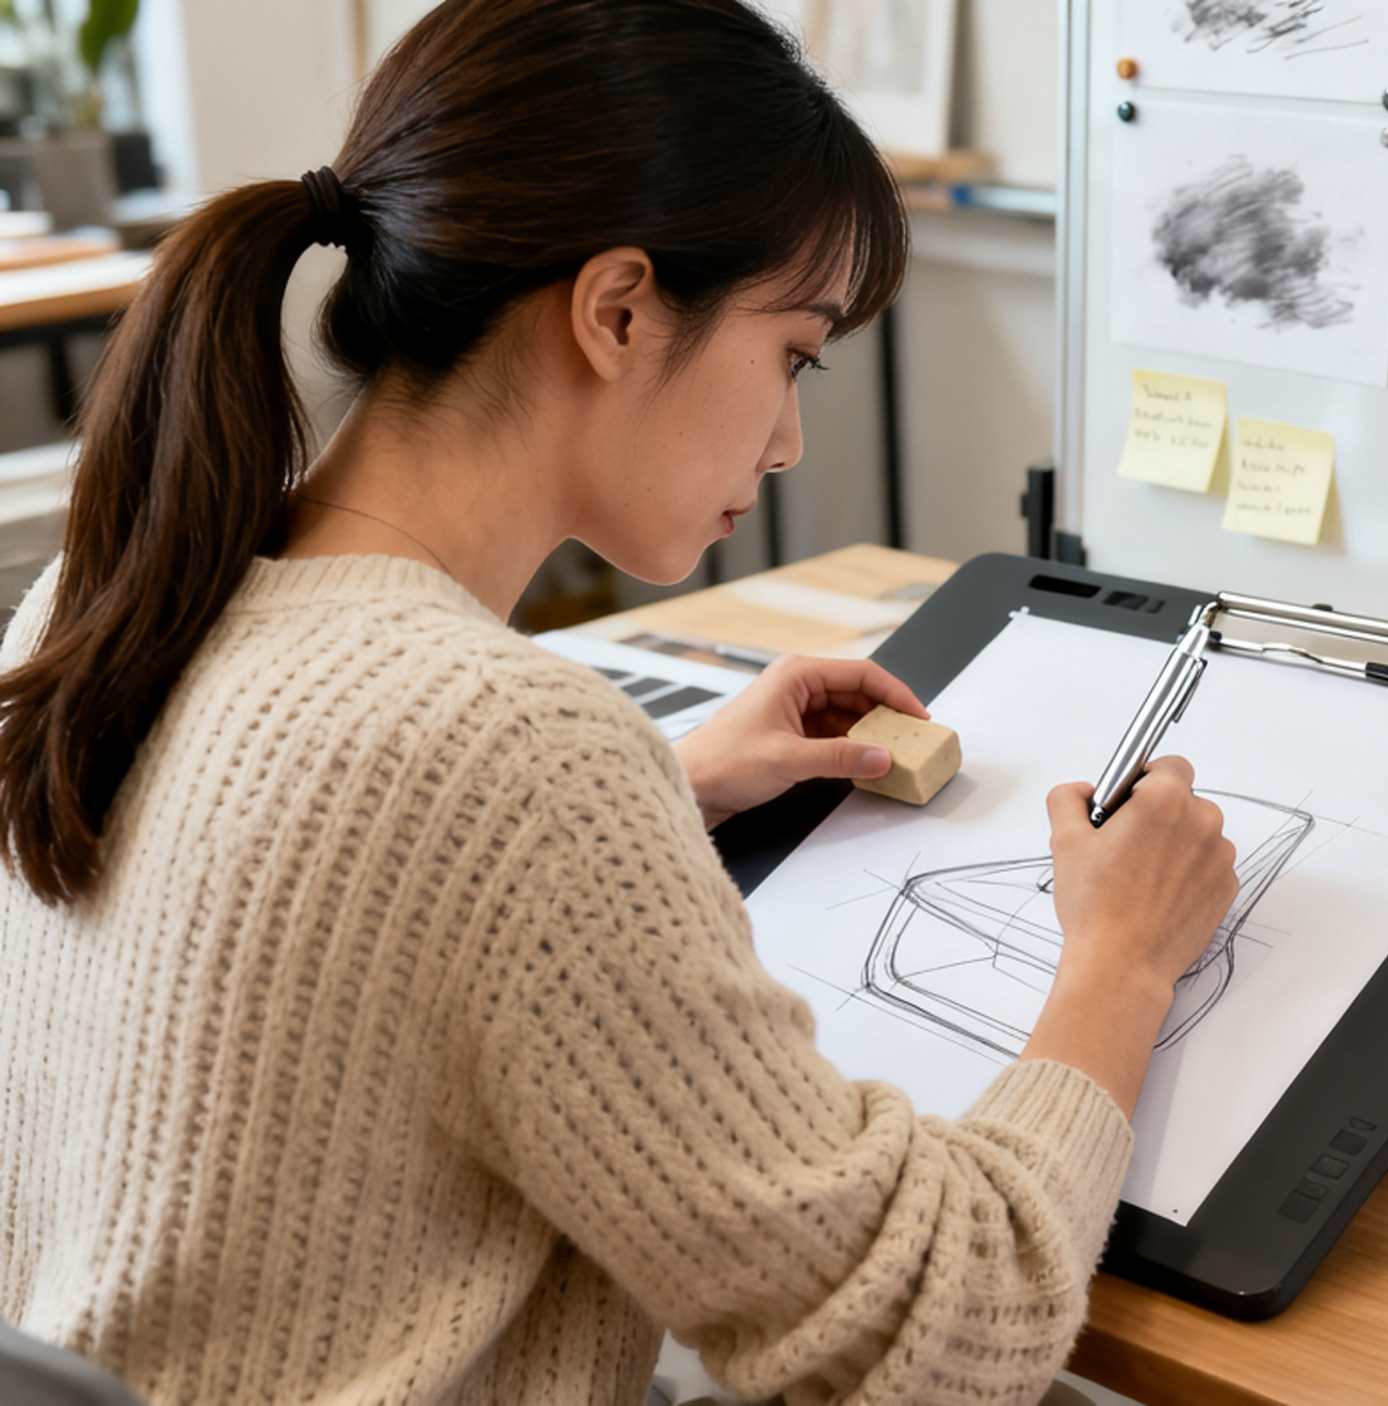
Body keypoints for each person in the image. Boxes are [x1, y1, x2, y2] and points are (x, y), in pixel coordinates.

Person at [0, 2, 1240, 1403]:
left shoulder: (104, 603)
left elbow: (332, 900)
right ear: (619, 308)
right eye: (797, 352)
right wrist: (1122, 961)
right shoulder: (505, 758)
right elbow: (947, 1341)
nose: (788, 440)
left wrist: (672, 779)